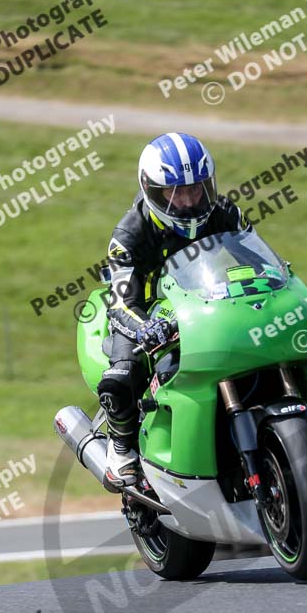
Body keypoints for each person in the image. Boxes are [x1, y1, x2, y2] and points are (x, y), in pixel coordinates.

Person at [98, 132, 250, 488]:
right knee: (121, 376)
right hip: (149, 315)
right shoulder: (129, 234)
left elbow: (257, 258)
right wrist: (145, 328)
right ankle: (121, 449)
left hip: (209, 305)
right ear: (153, 191)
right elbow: (122, 301)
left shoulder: (225, 212)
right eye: (175, 192)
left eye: (195, 189)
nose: (187, 201)